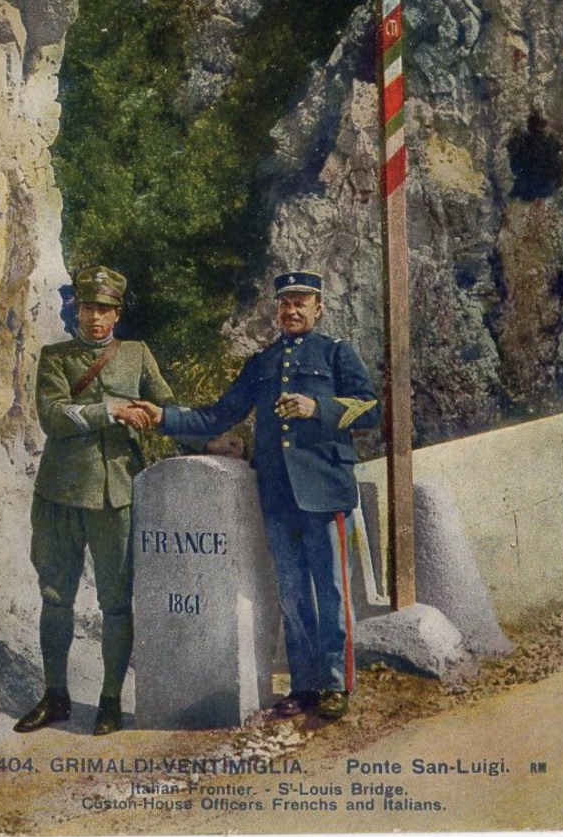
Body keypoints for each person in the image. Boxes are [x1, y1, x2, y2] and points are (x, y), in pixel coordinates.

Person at [130, 270, 380, 721]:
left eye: (301, 302)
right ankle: (304, 685)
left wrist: (317, 407)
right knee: (291, 592)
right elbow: (217, 415)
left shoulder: (337, 353)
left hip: (324, 489)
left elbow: (371, 408)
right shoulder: (262, 363)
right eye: (284, 303)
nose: (292, 310)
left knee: (332, 590)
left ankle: (335, 684)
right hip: (278, 492)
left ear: (319, 307)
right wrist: (163, 417)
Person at [13, 265, 172, 736]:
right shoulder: (56, 356)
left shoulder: (138, 355)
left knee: (116, 602)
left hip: (115, 494)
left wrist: (155, 412)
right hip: (60, 492)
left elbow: (166, 403)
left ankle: (109, 700)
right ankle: (55, 694)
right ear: (76, 311)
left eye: (104, 310)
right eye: (87, 308)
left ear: (117, 314)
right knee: (55, 596)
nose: (95, 318)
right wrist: (111, 411)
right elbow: (52, 417)